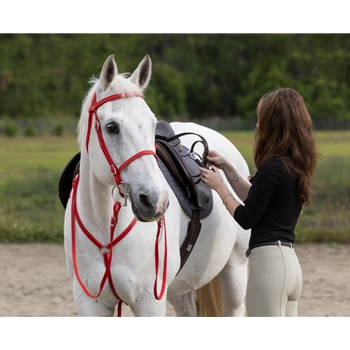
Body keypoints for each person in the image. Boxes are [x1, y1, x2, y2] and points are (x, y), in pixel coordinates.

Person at [199, 88, 319, 317]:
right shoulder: (292, 165)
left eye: (261, 120)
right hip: (290, 266)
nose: (257, 126)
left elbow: (247, 218)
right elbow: (258, 199)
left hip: (269, 268)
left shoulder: (272, 166)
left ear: (273, 124)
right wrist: (228, 169)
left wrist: (220, 187)